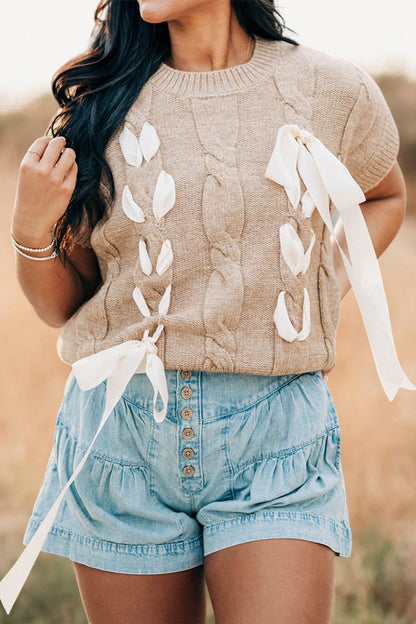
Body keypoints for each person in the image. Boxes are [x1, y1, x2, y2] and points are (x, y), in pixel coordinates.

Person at [1, 0, 415, 622]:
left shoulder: (329, 88)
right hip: (122, 437)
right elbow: (64, 305)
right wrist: (32, 229)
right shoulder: (99, 103)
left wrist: (317, 280)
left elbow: (384, 195)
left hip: (275, 437)